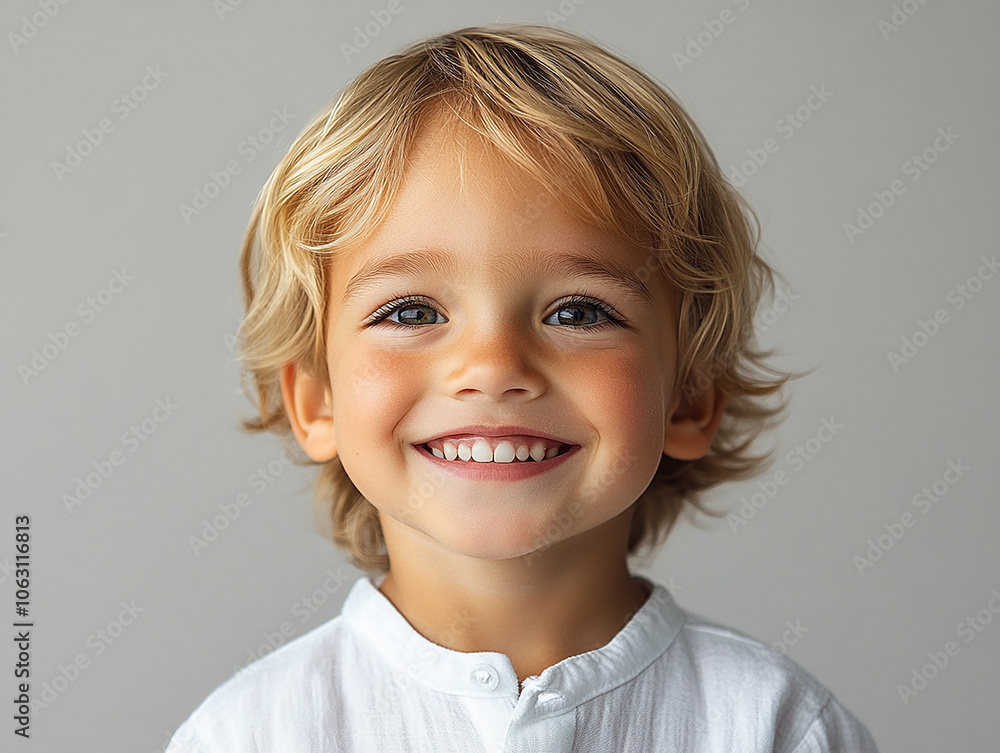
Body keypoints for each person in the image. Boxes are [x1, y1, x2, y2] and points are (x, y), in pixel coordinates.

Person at [166, 23, 880, 752]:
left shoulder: (777, 726)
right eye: (411, 311)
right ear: (317, 401)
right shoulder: (247, 734)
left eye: (578, 311)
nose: (493, 365)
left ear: (689, 396)